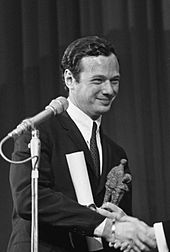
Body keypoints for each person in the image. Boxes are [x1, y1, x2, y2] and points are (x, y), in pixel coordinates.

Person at [7, 36, 153, 252]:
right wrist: (104, 226)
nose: (109, 90)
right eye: (98, 80)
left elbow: (119, 230)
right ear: (69, 79)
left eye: (115, 80)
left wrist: (124, 230)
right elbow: (29, 199)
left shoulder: (116, 154)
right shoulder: (38, 132)